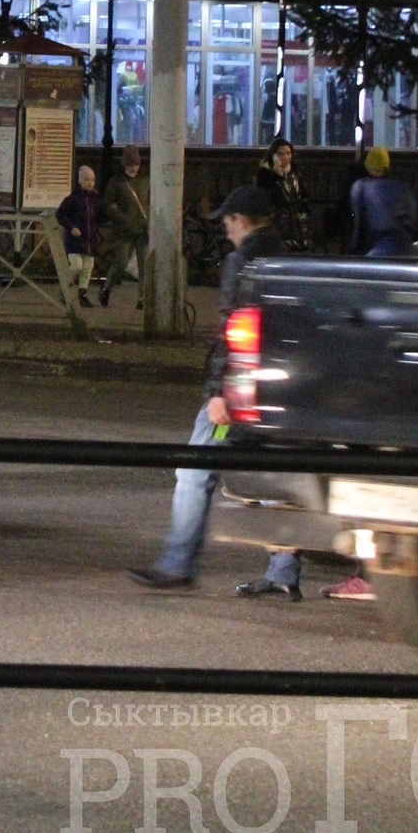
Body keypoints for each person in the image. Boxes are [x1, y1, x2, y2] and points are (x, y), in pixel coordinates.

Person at [127, 185, 303, 599]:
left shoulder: (241, 262)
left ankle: (177, 564)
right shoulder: (291, 258)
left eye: (227, 221)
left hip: (238, 390)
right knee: (273, 478)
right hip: (278, 389)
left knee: (194, 470)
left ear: (241, 221)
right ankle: (283, 571)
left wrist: (217, 392)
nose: (225, 230)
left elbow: (232, 332)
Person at [95, 145, 149, 308]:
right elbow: (107, 206)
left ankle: (142, 299)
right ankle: (107, 288)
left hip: (142, 229)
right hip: (124, 230)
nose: (133, 168)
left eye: (136, 164)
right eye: (130, 165)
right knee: (120, 262)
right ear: (124, 165)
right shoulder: (116, 183)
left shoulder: (145, 180)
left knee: (144, 265)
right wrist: (123, 219)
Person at [346, 146, 418, 257]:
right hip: (407, 252)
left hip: (377, 253)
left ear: (367, 166)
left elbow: (357, 226)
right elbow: (414, 220)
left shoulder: (360, 187)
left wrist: (353, 251)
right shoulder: (403, 188)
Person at [55, 162, 103, 307]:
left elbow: (99, 216)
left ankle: (82, 294)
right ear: (80, 180)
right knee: (76, 265)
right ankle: (65, 289)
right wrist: (71, 227)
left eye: (92, 180)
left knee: (88, 267)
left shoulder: (95, 199)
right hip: (75, 240)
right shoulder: (72, 199)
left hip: (89, 238)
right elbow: (60, 215)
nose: (90, 183)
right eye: (87, 179)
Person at [255, 137, 312, 252]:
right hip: (277, 220)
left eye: (288, 153)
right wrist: (278, 174)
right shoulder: (265, 173)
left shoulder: (294, 173)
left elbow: (302, 194)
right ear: (274, 155)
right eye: (281, 154)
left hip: (297, 221)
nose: (285, 157)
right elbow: (269, 195)